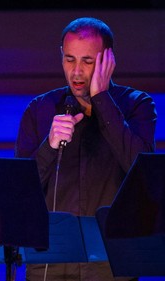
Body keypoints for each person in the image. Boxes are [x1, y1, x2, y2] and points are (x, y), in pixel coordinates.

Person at [15, 17, 157, 281]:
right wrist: (49, 145)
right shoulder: (40, 109)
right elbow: (20, 190)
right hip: (51, 261)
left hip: (111, 262)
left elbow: (143, 175)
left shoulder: (137, 105)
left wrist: (102, 99)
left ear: (108, 62)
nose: (77, 72)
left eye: (88, 61)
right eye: (69, 59)